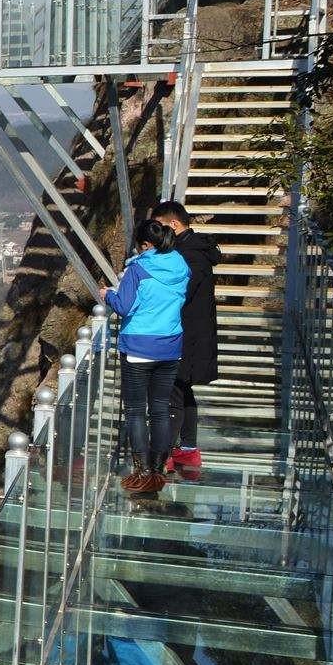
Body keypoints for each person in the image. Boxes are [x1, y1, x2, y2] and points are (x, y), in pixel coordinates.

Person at [101, 217, 190, 497]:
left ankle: (142, 471)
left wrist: (108, 295)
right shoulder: (181, 265)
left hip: (139, 346)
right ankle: (159, 467)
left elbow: (125, 306)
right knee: (160, 408)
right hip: (170, 345)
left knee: (136, 410)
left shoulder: (138, 269)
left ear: (145, 245)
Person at [150, 199, 221, 480]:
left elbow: (181, 292)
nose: (157, 233)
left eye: (159, 227)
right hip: (192, 332)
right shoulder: (196, 250)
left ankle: (163, 454)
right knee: (182, 388)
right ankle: (187, 449)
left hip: (183, 333)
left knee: (171, 392)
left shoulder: (188, 255)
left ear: (174, 224)